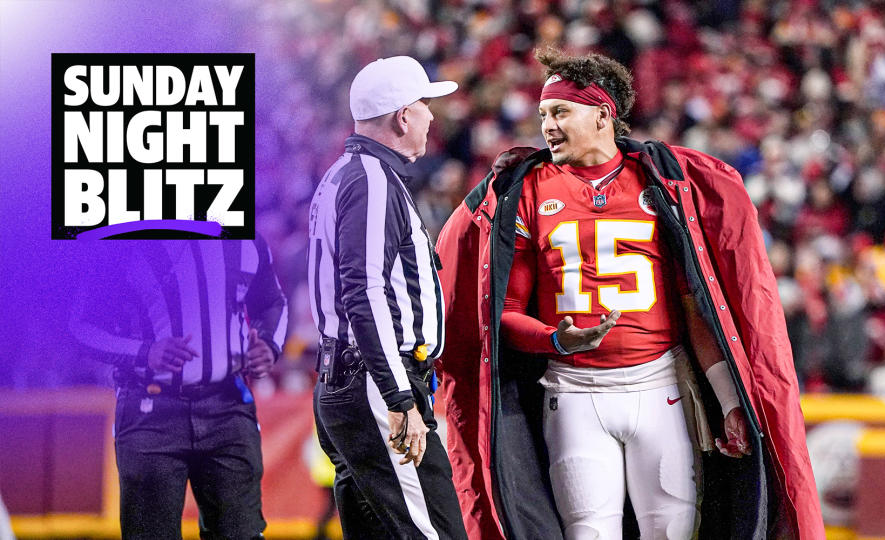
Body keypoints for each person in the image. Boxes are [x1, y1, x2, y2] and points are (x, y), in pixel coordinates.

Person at [434, 49, 824, 539]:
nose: (547, 126)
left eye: (559, 112)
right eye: (542, 115)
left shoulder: (659, 182)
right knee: (590, 533)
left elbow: (696, 307)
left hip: (658, 385)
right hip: (573, 393)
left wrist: (728, 400)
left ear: (602, 114)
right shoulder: (529, 189)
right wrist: (559, 341)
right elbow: (505, 313)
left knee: (673, 531)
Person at [307, 56, 468, 540]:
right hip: (375, 382)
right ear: (402, 116)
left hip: (353, 377)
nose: (431, 117)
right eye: (424, 105)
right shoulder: (372, 180)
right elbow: (365, 289)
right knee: (435, 533)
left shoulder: (345, 174)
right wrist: (399, 396)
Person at [70, 237, 288, 539]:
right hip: (150, 410)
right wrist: (145, 352)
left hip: (228, 406)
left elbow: (271, 301)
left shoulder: (245, 239)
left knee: (242, 533)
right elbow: (81, 327)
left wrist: (267, 344)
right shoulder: (123, 244)